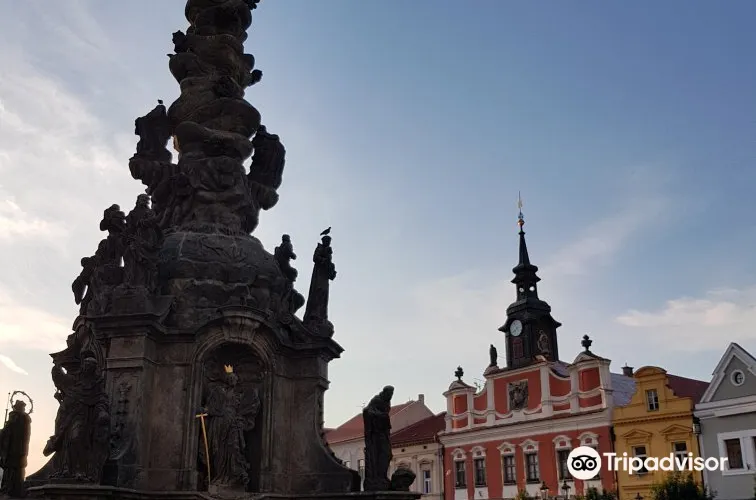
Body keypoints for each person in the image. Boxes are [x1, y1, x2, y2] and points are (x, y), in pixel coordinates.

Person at [0, 400, 32, 497]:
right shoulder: (24, 418)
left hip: (13, 450)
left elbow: (7, 433)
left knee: (11, 470)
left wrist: (3, 431)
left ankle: (9, 490)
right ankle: (13, 490)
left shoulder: (16, 417)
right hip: (20, 450)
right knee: (15, 471)